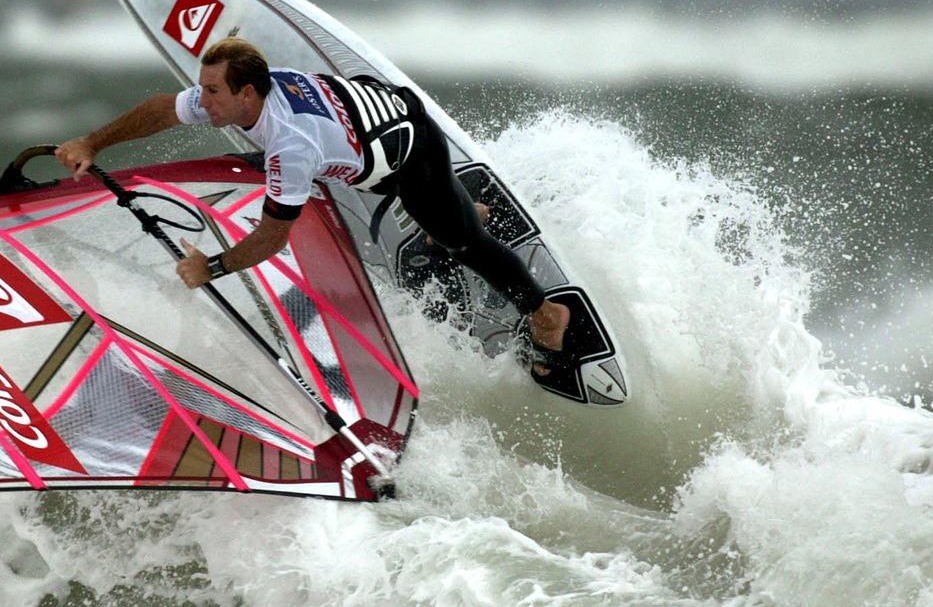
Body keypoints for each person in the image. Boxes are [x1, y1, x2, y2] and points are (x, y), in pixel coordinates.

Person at [54, 37, 571, 371]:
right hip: (362, 112)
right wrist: (92, 144)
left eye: (211, 92)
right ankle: (455, 207)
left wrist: (209, 267)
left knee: (462, 242)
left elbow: (273, 237)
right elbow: (163, 111)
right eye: (203, 89)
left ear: (248, 95)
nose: (201, 100)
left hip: (405, 148)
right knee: (356, 173)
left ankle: (546, 313)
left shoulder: (290, 146)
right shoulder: (251, 93)